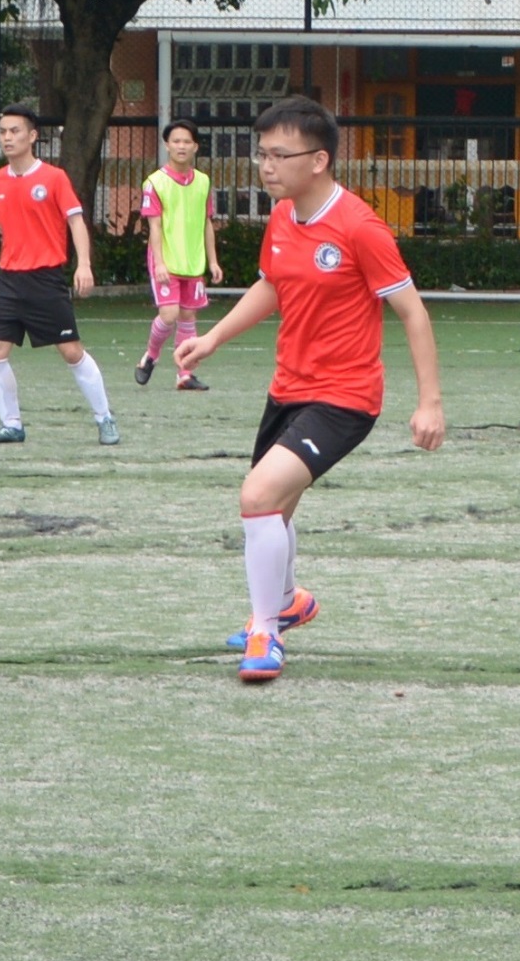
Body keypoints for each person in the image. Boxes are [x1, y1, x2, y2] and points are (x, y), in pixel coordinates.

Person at [174, 97, 444, 684]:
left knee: (258, 495)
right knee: (276, 506)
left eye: (279, 155)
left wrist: (429, 403)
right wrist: (213, 337)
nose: (266, 166)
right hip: (288, 389)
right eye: (261, 154)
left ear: (319, 160)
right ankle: (287, 601)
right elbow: (272, 286)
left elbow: (413, 312)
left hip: (345, 397)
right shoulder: (283, 217)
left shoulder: (360, 227)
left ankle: (265, 632)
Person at [0, 104, 118, 445]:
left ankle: (105, 418)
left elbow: (76, 220)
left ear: (32, 136)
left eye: (14, 131)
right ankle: (11, 425)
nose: (7, 137)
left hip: (46, 279)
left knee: (71, 351)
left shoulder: (54, 178)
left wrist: (84, 264)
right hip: (9, 280)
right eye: (3, 132)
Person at [135, 120, 223, 389]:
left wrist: (213, 261)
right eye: (176, 141)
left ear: (195, 146)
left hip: (193, 263)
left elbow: (207, 222)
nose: (181, 146)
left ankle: (184, 374)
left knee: (188, 317)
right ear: (167, 145)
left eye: (187, 141)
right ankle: (151, 355)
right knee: (169, 315)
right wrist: (160, 263)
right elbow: (154, 226)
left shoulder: (203, 182)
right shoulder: (155, 183)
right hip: (167, 261)